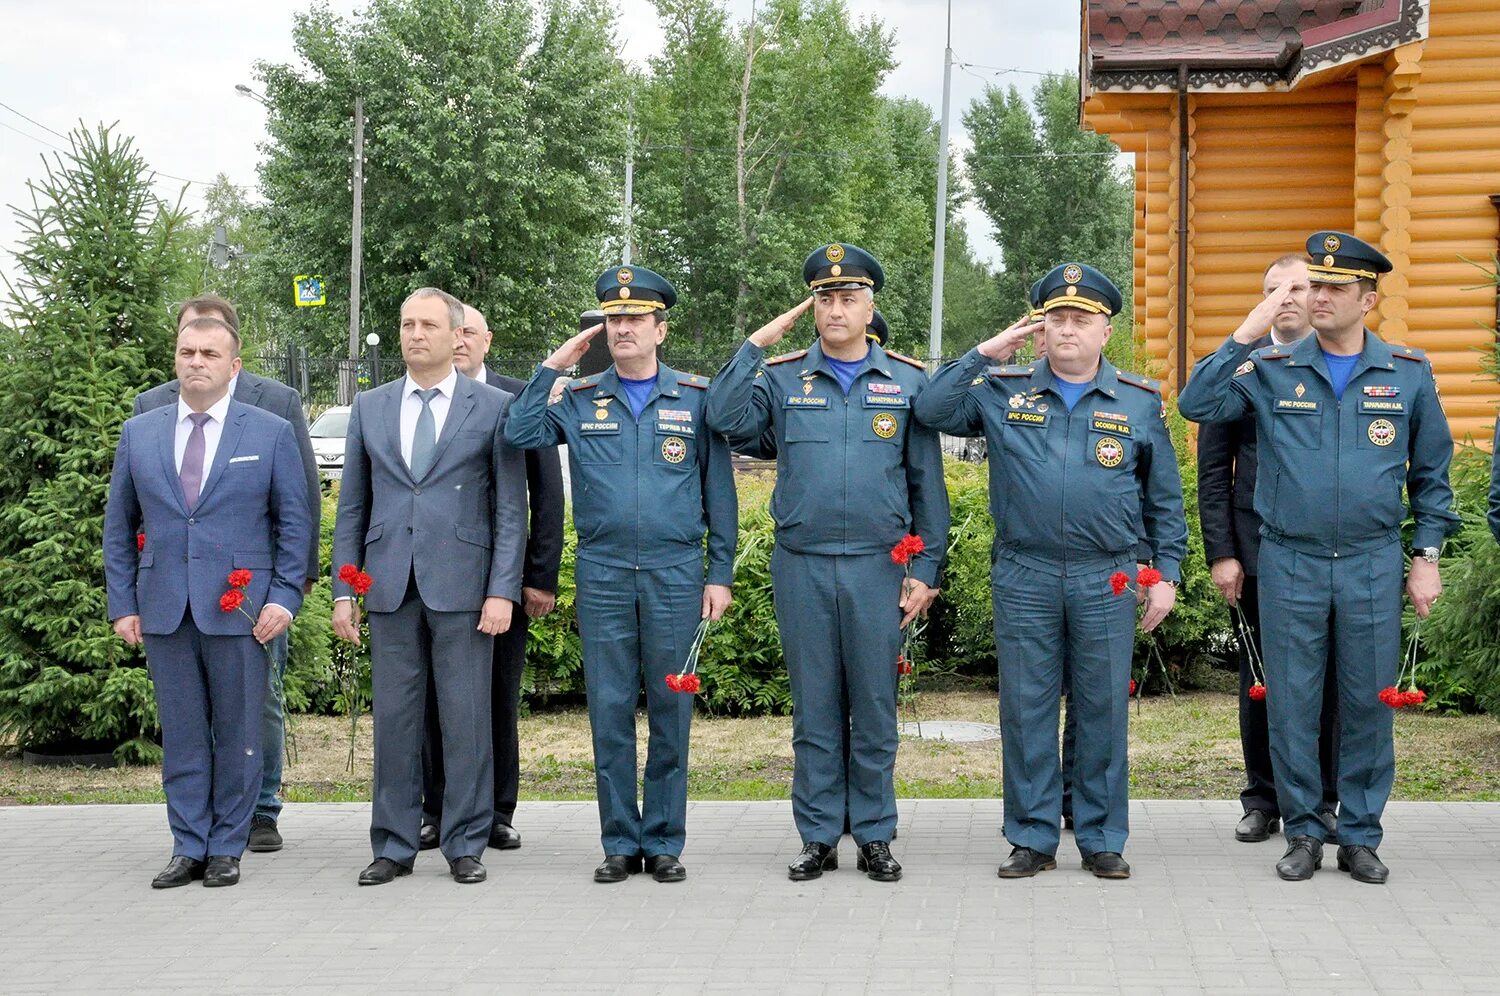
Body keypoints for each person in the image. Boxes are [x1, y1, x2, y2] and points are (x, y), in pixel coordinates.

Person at [1178, 232, 1459, 885]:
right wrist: (1252, 325)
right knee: (1294, 703)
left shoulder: (1407, 373)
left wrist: (1427, 556)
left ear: (1368, 297)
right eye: (1315, 286)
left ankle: (1358, 835)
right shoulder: (1271, 370)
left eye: (1334, 288)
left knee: (1366, 702)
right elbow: (1196, 403)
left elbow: (1433, 478)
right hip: (1291, 560)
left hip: (1369, 561)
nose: (1319, 298)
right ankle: (1303, 830)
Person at [913, 262, 1187, 881]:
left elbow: (1163, 498)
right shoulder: (1002, 390)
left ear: (1104, 331)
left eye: (1081, 319)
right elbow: (931, 409)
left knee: (1102, 710)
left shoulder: (1139, 401)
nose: (1068, 330)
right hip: (1026, 574)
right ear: (1039, 332)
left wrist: (1165, 571)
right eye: (1055, 318)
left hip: (1108, 576)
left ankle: (1100, 836)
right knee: (1028, 707)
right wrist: (985, 351)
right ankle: (1032, 836)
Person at [706, 243, 949, 884]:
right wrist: (755, 345)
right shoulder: (784, 378)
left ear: (870, 307)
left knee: (873, 705)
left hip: (878, 567)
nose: (835, 308)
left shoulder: (906, 381)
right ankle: (817, 835)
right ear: (812, 308)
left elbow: (927, 486)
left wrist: (925, 569)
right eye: (824, 298)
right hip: (804, 565)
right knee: (815, 707)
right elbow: (723, 417)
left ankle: (873, 833)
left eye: (848, 298)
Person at [506, 265, 737, 884]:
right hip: (605, 573)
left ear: (661, 328)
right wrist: (554, 365)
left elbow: (721, 493)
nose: (623, 328)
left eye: (635, 319)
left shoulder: (696, 397)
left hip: (677, 574)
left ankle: (662, 841)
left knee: (671, 708)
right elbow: (518, 429)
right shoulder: (581, 399)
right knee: (608, 708)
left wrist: (720, 573)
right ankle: (617, 841)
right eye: (613, 319)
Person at [104, 316, 313, 888]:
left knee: (242, 730)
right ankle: (187, 845)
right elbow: (119, 527)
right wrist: (123, 603)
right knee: (184, 732)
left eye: (209, 354)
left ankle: (228, 846)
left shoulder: (267, 431)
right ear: (175, 360)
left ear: (234, 366)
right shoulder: (140, 432)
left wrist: (285, 597)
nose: (197, 362)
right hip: (166, 606)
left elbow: (295, 522)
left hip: (241, 609)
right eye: (187, 352)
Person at [332, 287, 528, 887]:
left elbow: (509, 509)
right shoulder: (370, 406)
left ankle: (465, 842)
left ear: (456, 335)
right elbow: (354, 508)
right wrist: (348, 590)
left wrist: (503, 590)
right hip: (390, 588)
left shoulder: (493, 406)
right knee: (395, 722)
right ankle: (392, 844)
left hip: (466, 590)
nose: (415, 334)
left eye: (428, 325)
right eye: (406, 323)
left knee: (467, 719)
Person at [1196, 255, 1340, 845]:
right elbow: (1213, 472)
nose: (1286, 297)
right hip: (1256, 543)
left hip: (1323, 546)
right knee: (1262, 675)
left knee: (1330, 673)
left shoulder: (1336, 366)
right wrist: (1222, 553)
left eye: (1299, 286)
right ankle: (1263, 797)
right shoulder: (1244, 367)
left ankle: (1325, 799)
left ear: (1318, 297)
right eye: (1273, 288)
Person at [418, 304, 566, 853]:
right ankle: (436, 809)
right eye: (450, 332)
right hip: (432, 580)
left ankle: (498, 810)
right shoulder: (417, 397)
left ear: (486, 340)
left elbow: (546, 494)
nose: (457, 343)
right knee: (434, 698)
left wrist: (539, 577)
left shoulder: (514, 400)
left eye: (468, 333)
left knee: (496, 698)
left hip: (500, 582)